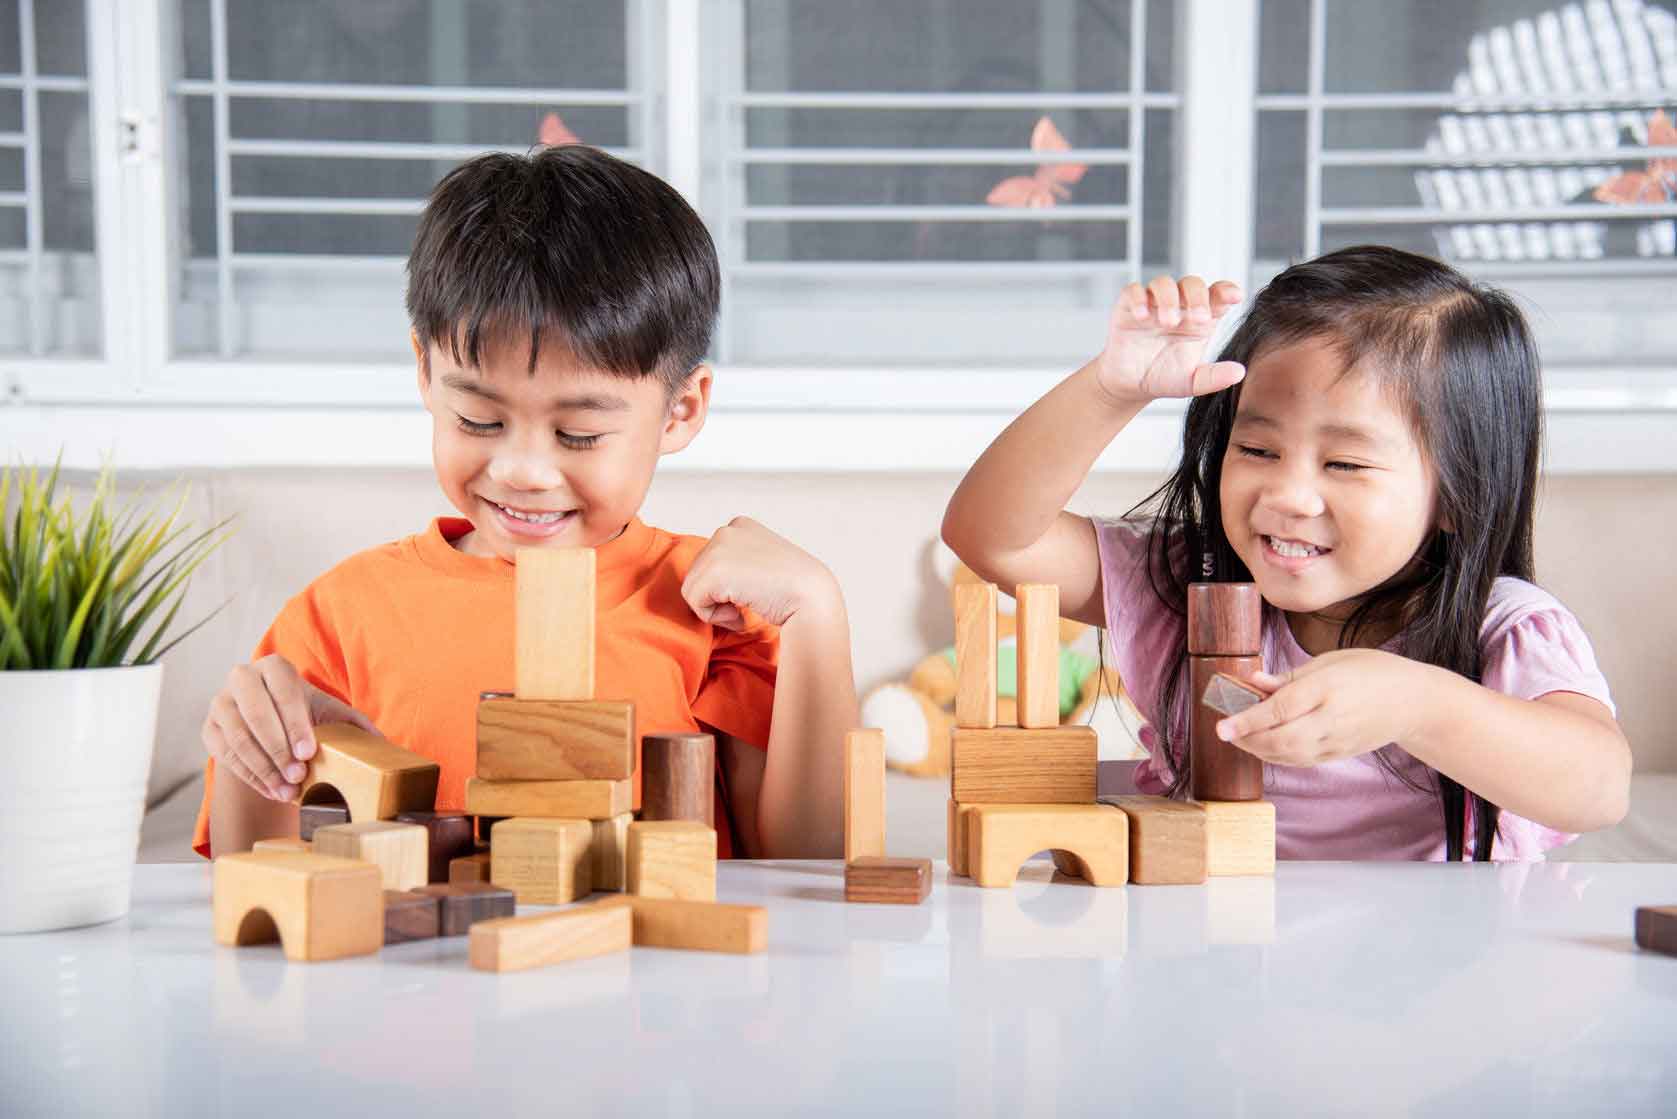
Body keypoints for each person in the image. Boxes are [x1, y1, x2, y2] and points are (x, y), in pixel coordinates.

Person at [194, 146, 858, 860]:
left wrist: (816, 612)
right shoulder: (339, 615)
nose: (523, 471)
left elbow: (808, 872)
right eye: (479, 420)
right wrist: (257, 755)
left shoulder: (715, 609)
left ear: (680, 410)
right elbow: (252, 880)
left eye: (579, 433)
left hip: (658, 969)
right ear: (425, 371)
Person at [942, 245, 1629, 859]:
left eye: (1346, 464)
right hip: (1201, 951)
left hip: (1425, 972)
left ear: (1455, 493)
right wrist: (1109, 389)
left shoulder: (1501, 624)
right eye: (1257, 449)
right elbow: (994, 537)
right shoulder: (1183, 582)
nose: (1288, 494)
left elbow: (1597, 789)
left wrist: (1420, 704)